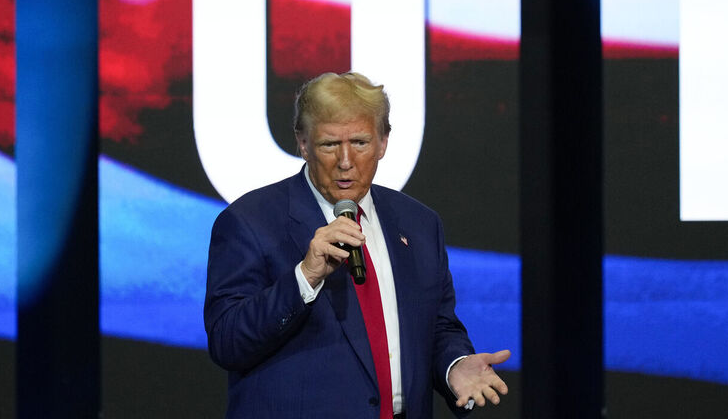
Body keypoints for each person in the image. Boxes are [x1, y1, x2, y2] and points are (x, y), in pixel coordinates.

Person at [204, 71, 509, 418]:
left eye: (360, 143)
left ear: (383, 142)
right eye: (329, 144)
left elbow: (437, 326)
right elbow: (227, 342)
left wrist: (454, 366)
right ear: (302, 143)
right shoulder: (249, 221)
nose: (345, 161)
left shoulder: (419, 225)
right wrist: (304, 277)